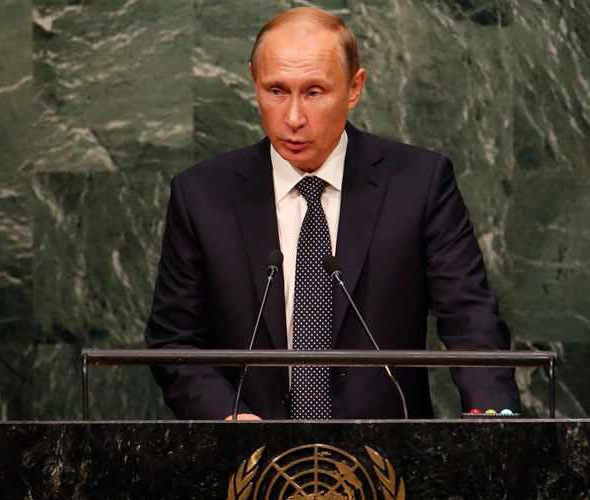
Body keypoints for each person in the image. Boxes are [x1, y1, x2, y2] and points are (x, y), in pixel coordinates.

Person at [145, 7, 520, 420]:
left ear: (354, 88)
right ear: (254, 81)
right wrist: (227, 419)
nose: (292, 118)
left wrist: (493, 418)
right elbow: (174, 341)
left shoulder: (419, 183)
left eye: (314, 92)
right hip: (253, 465)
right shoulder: (202, 195)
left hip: (388, 464)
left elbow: (470, 317)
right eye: (276, 91)